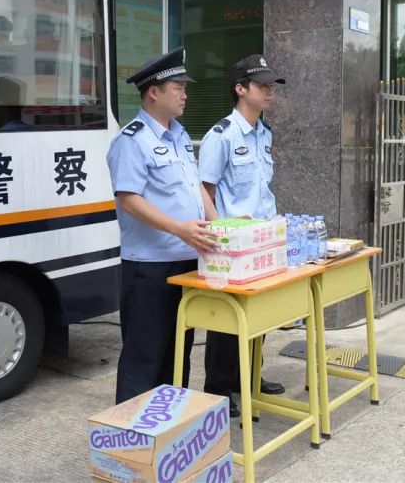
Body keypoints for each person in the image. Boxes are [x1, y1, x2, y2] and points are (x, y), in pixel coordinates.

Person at [106, 46, 219, 404]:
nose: (185, 94)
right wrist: (180, 229)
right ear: (153, 92)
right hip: (150, 267)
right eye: (178, 88)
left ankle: (169, 432)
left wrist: (219, 225)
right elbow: (129, 199)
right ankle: (130, 444)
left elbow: (195, 186)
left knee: (177, 355)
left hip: (186, 261)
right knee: (144, 356)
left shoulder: (180, 136)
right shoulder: (133, 140)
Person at [199, 53, 287, 418]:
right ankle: (220, 388)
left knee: (258, 315)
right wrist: (221, 236)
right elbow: (203, 189)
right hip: (232, 244)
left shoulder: (264, 133)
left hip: (261, 240)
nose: (269, 92)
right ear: (240, 89)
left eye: (271, 86)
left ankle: (249, 377)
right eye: (262, 86)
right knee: (226, 322)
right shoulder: (220, 136)